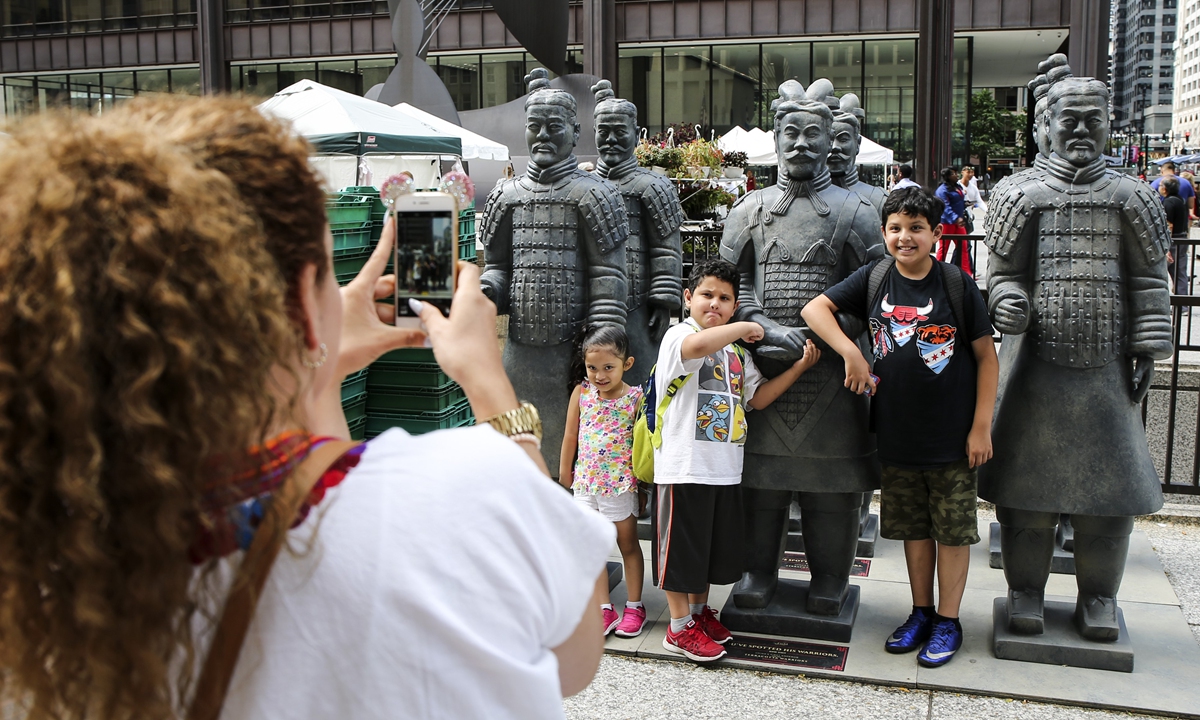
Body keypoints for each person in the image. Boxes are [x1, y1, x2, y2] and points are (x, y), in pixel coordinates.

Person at [0, 97, 615, 720]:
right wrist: (492, 391)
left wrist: (315, 373)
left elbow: (311, 488)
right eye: (326, 271)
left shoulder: (46, 574)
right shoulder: (462, 492)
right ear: (301, 295)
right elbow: (577, 645)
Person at [801, 187, 999, 668]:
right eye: (895, 228)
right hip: (896, 432)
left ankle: (948, 620)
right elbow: (814, 310)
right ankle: (921, 611)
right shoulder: (874, 279)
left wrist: (980, 427)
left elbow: (986, 357)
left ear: (934, 233)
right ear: (884, 232)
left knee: (952, 533)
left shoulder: (956, 284)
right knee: (913, 530)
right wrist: (851, 350)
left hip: (951, 436)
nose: (904, 237)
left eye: (916, 228)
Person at [654, 258, 822, 663]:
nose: (715, 304)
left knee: (708, 551)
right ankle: (678, 629)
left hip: (724, 469)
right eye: (707, 295)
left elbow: (757, 398)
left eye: (725, 299)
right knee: (681, 551)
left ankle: (698, 614)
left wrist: (800, 367)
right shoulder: (680, 335)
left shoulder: (734, 354)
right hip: (685, 466)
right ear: (688, 297)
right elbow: (695, 349)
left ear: (733, 304)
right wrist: (746, 327)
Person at [560, 325, 647, 638]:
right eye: (592, 367)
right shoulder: (582, 392)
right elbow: (571, 433)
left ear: (627, 363)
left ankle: (635, 606)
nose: (599, 375)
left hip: (620, 485)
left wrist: (644, 487)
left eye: (608, 367)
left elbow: (642, 443)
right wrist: (565, 472)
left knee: (627, 544)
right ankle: (603, 607)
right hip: (585, 483)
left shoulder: (635, 398)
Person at [934, 166, 972, 276]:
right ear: (948, 176)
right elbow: (945, 206)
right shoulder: (942, 190)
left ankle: (966, 272)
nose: (956, 175)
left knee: (963, 246)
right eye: (953, 173)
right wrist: (955, 217)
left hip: (958, 222)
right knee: (944, 247)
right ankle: (938, 271)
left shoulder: (957, 186)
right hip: (947, 222)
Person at [1159, 176, 1190, 294]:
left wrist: (1166, 246)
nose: (1159, 187)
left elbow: (1169, 225)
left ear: (1165, 189)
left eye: (1161, 185)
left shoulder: (1168, 202)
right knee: (1180, 272)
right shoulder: (1180, 200)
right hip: (1182, 238)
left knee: (1161, 272)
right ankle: (1182, 305)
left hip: (1173, 241)